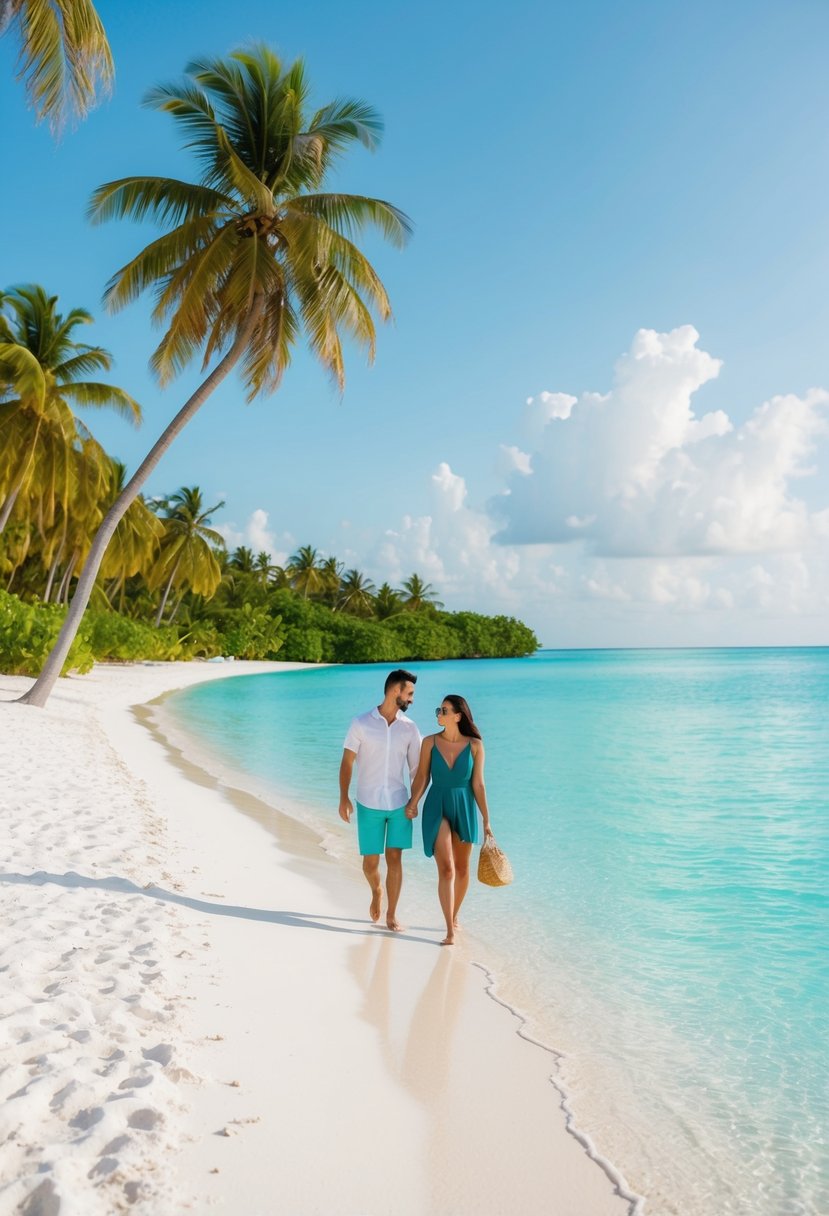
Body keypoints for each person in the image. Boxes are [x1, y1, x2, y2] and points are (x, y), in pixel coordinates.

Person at [405, 694, 493, 945]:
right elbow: (422, 777)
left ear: (458, 716)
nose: (438, 714)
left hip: (465, 805)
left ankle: (454, 916)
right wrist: (413, 802)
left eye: (443, 710)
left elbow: (478, 784)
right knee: (447, 868)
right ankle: (449, 930)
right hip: (437, 805)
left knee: (463, 868)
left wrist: (487, 820)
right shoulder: (429, 743)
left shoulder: (475, 745)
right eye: (438, 710)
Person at [339, 670, 422, 931]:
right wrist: (344, 797)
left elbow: (417, 770)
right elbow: (347, 762)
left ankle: (392, 915)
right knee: (370, 863)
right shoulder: (361, 723)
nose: (411, 699)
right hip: (368, 803)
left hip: (399, 804)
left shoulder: (410, 728)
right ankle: (376, 890)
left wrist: (415, 801)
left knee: (395, 858)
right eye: (409, 693)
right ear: (395, 690)